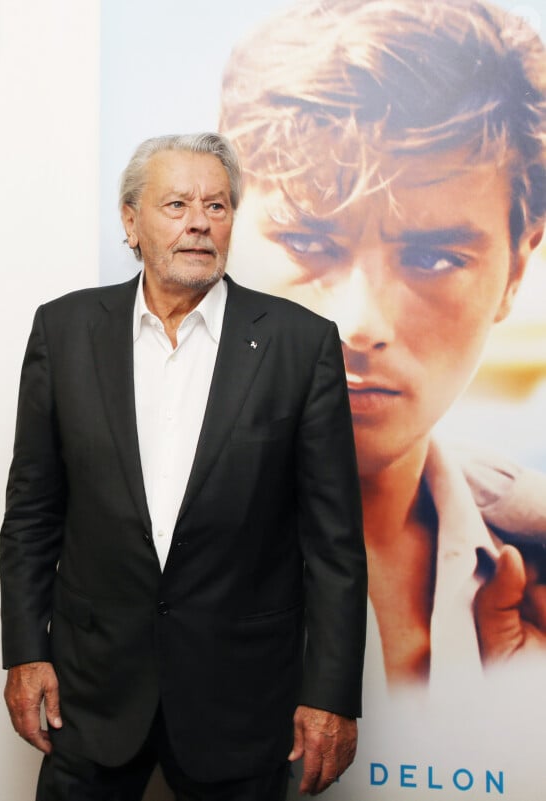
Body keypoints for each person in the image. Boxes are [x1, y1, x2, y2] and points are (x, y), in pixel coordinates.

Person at [0, 133, 367, 801]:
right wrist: (26, 652)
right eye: (177, 203)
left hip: (243, 700)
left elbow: (335, 546)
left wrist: (333, 696)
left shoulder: (300, 344)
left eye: (218, 205)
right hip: (92, 692)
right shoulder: (63, 331)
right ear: (130, 220)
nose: (200, 221)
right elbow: (31, 514)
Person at [218, 0, 546, 690]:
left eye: (434, 257)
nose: (358, 324)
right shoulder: (113, 529)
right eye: (309, 243)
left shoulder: (530, 555)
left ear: (516, 269)